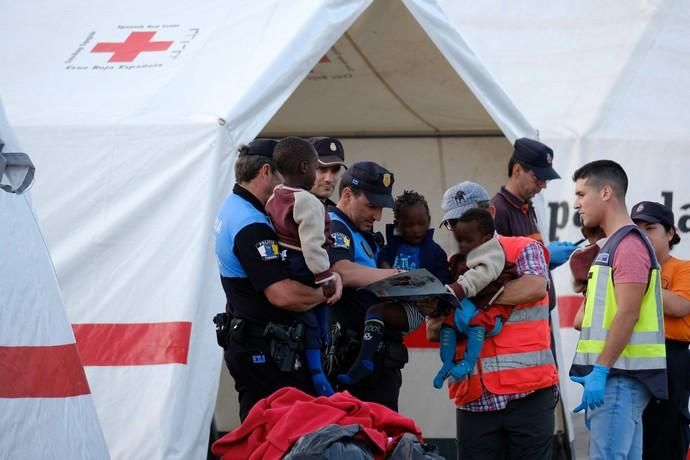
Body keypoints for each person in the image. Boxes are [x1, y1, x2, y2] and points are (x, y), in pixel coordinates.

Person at [430, 181, 560, 460]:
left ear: (490, 212)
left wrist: (471, 299)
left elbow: (536, 287)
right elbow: (432, 329)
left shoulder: (523, 248)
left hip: (528, 396)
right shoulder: (451, 265)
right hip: (474, 401)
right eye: (453, 223)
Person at [214, 138, 342, 421]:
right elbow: (283, 295)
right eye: (281, 174)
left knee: (256, 432)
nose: (286, 183)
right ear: (264, 171)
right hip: (264, 347)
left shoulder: (232, 207)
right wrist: (328, 288)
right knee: (278, 434)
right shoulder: (252, 225)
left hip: (247, 339)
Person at [569, 160, 667, 459]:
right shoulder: (612, 246)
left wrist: (600, 369)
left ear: (606, 192)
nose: (576, 204)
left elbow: (628, 312)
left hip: (619, 378)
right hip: (616, 377)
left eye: (582, 194)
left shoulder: (628, 245)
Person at [326, 161, 416, 411]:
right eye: (371, 206)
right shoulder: (335, 226)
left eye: (381, 208)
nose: (377, 216)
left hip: (381, 358)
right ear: (347, 195)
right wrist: (399, 276)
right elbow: (341, 270)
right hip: (352, 358)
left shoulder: (364, 232)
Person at [337, 190, 451, 385]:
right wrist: (388, 272)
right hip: (393, 300)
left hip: (416, 308)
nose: (416, 230)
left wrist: (435, 302)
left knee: (375, 311)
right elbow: (383, 260)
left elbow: (443, 279)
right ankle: (365, 360)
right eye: (409, 225)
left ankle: (363, 362)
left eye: (421, 224)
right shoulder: (392, 246)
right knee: (375, 311)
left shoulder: (435, 252)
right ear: (398, 225)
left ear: (429, 220)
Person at [265, 137, 337, 396]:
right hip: (305, 264)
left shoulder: (276, 194)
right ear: (305, 167)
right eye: (318, 168)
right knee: (312, 320)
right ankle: (318, 373)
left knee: (313, 316)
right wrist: (325, 277)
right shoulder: (307, 202)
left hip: (285, 260)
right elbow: (312, 244)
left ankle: (319, 352)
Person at [433, 208, 518, 389]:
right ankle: (447, 362)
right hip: (472, 303)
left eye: (468, 240)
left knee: (478, 324)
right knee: (448, 324)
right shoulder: (461, 257)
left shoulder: (494, 253)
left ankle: (468, 362)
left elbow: (481, 275)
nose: (462, 245)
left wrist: (457, 288)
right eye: (460, 240)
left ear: (486, 239)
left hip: (491, 306)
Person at [631, 201, 690, 460]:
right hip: (634, 356)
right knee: (637, 434)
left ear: (670, 233)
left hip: (671, 357)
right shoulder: (624, 269)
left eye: (650, 228)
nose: (642, 236)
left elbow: (679, 306)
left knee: (669, 433)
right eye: (636, 229)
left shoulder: (683, 268)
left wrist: (641, 277)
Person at [491, 137, 578, 309]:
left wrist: (545, 260)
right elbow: (495, 270)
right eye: (538, 178)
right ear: (517, 170)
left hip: (538, 321)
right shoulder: (498, 210)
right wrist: (545, 256)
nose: (543, 185)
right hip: (518, 324)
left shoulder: (526, 208)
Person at [308, 137, 347, 207]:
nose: (329, 179)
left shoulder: (333, 211)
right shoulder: (288, 208)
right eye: (322, 169)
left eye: (335, 170)